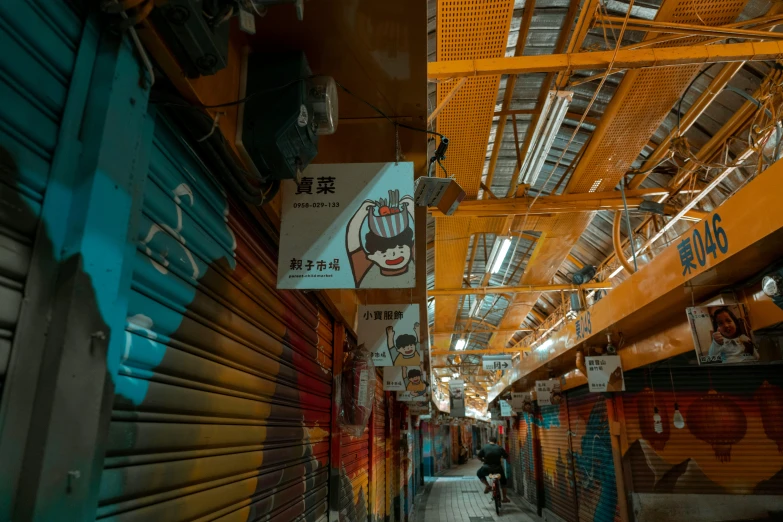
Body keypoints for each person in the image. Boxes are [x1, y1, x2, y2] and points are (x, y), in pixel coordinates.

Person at [346, 189, 415, 289]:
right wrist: (360, 214)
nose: (393, 254)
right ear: (371, 257)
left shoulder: (364, 270)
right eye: (383, 253)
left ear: (410, 247)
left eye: (400, 248)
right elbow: (353, 244)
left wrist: (361, 214)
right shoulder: (365, 268)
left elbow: (353, 247)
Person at [477, 437, 510, 503]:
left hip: (486, 468)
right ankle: (504, 497)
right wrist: (502, 457)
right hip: (498, 468)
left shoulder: (484, 447)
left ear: (489, 441)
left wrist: (482, 460)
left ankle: (488, 486)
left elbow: (479, 456)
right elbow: (506, 456)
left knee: (479, 473)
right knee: (503, 481)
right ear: (496, 442)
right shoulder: (499, 447)